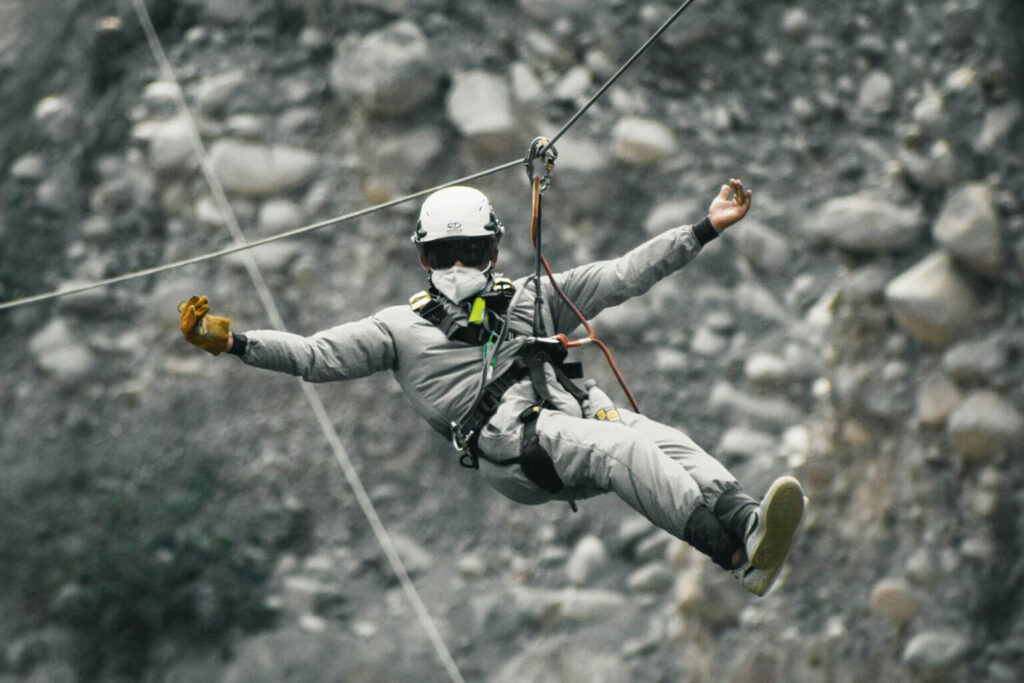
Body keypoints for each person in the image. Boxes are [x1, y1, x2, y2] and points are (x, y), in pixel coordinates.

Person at [177, 179, 806, 596]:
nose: (458, 268)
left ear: (493, 251)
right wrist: (234, 342)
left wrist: (703, 228)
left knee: (665, 440)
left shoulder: (533, 299)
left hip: (573, 419)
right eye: (445, 254)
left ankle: (750, 525)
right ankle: (732, 558)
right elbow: (316, 355)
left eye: (471, 251)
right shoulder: (397, 329)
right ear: (425, 259)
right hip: (514, 450)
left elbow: (622, 276)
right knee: (626, 452)